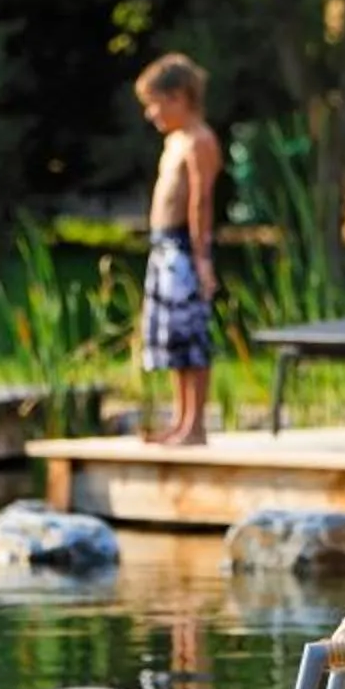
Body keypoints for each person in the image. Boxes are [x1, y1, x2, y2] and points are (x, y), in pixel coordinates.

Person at [134, 54, 222, 446]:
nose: (151, 114)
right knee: (171, 340)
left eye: (155, 103)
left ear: (179, 96)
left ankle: (195, 425)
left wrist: (202, 259)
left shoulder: (200, 141)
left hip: (186, 249)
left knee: (191, 336)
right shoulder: (175, 141)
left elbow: (201, 202)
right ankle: (180, 418)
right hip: (163, 246)